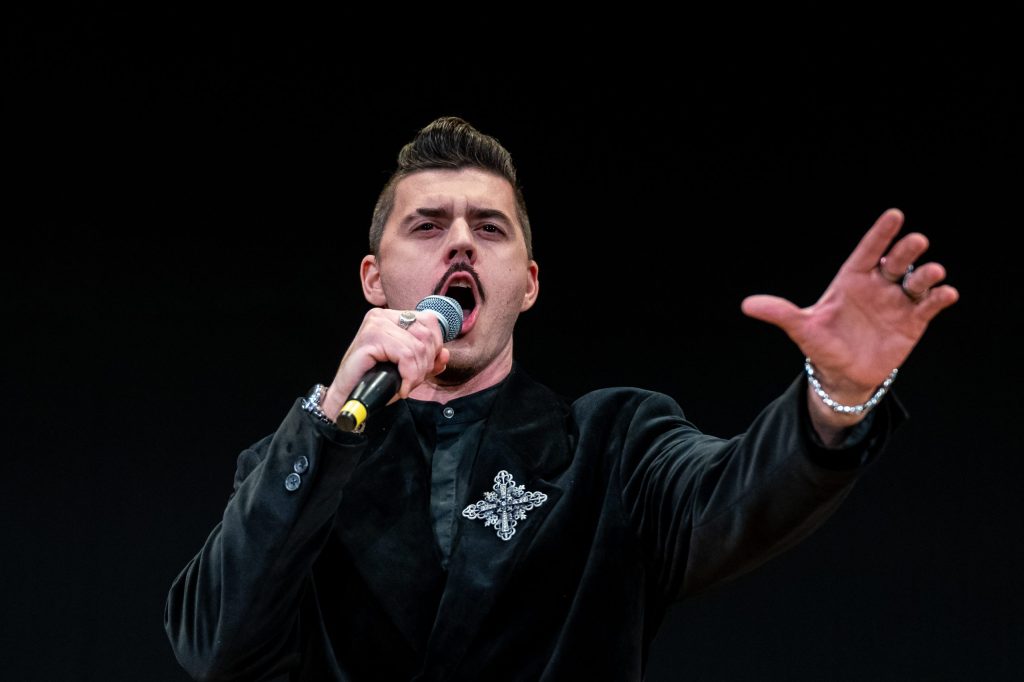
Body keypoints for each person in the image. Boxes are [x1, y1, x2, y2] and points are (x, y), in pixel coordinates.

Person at [164, 117, 958, 681]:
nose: (461, 241)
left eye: (490, 228)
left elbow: (736, 499)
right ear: (374, 280)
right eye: (428, 226)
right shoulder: (296, 468)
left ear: (529, 284)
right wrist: (332, 418)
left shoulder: (614, 444)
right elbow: (213, 647)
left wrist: (837, 395)